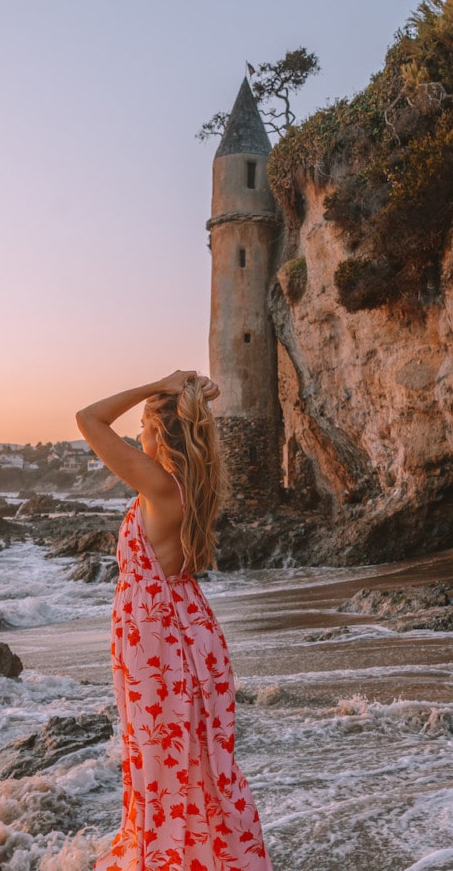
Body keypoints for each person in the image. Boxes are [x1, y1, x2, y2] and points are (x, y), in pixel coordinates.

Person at [76, 370, 272, 871]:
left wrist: (152, 386)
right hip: (180, 628)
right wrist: (177, 395)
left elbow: (88, 419)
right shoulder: (189, 485)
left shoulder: (160, 485)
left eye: (143, 425)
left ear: (161, 434)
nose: (138, 435)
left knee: (164, 763)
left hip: (160, 641)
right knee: (190, 761)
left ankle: (170, 860)